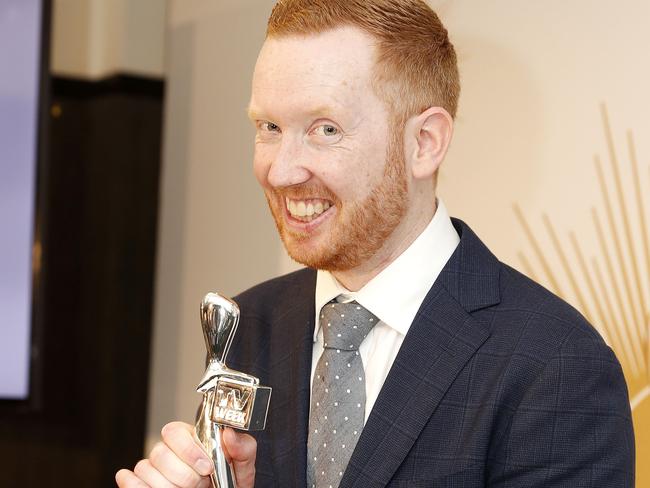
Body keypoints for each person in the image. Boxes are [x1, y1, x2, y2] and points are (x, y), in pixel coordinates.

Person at [116, 1, 635, 486]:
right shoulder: (250, 322)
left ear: (424, 143)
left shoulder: (556, 366)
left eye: (324, 129)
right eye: (269, 126)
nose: (280, 169)